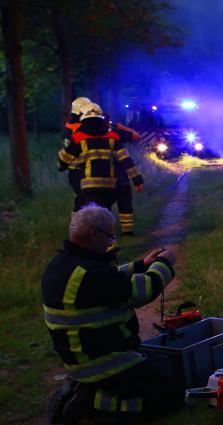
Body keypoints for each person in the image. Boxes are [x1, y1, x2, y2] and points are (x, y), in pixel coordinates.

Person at [42, 204, 181, 422]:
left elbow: (110, 279)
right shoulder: (91, 274)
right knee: (169, 397)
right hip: (107, 364)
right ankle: (88, 402)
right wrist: (165, 263)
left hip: (82, 359)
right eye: (110, 236)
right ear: (93, 234)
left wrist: (141, 264)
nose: (111, 242)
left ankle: (87, 391)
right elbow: (142, 291)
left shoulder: (64, 264)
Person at [57, 103, 143, 211]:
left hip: (89, 188)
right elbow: (126, 160)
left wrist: (60, 165)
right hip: (109, 187)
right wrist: (137, 180)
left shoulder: (79, 138)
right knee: (105, 214)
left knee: (85, 212)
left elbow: (64, 159)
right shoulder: (112, 137)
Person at [105, 112, 143, 235]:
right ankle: (127, 231)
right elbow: (136, 136)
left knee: (104, 205)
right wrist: (122, 127)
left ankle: (105, 231)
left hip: (102, 177)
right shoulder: (116, 133)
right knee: (125, 203)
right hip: (120, 175)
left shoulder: (88, 137)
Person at [61, 97, 93, 198]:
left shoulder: (69, 127)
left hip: (73, 170)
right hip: (87, 169)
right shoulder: (86, 127)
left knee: (80, 198)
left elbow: (66, 146)